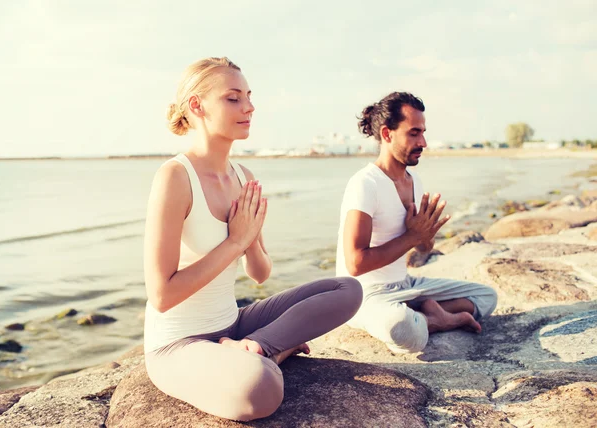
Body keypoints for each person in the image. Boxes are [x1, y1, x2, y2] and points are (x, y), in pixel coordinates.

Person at [143, 57, 362, 421]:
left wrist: (251, 240)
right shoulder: (174, 178)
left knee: (348, 290)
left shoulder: (243, 176)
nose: (249, 107)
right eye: (232, 98)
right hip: (178, 344)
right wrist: (234, 240)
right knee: (260, 389)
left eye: (248, 96)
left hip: (235, 324)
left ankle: (260, 346)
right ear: (197, 105)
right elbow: (162, 295)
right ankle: (272, 354)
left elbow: (259, 274)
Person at [335, 92, 497, 354]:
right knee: (399, 327)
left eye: (423, 132)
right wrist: (411, 237)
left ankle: (422, 313)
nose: (423, 141)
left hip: (406, 286)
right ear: (387, 134)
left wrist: (425, 236)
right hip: (363, 295)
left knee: (487, 296)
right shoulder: (365, 184)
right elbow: (355, 263)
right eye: (413, 133)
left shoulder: (414, 181)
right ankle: (441, 319)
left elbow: (422, 248)